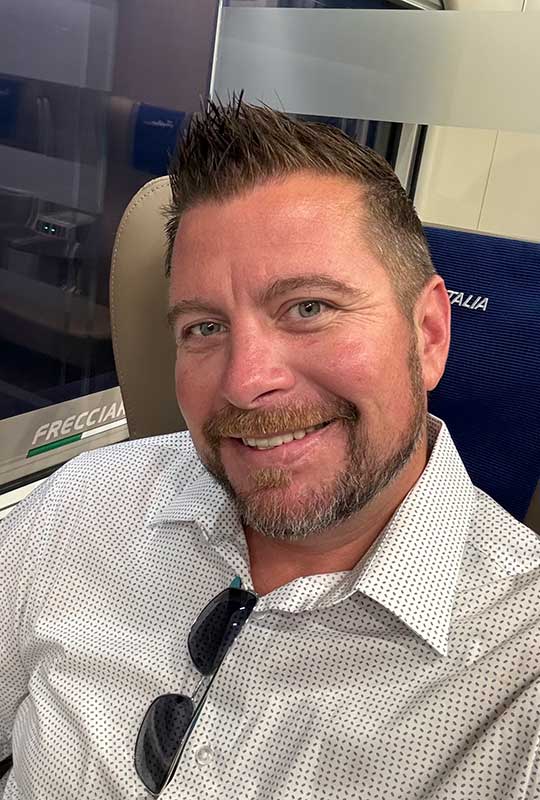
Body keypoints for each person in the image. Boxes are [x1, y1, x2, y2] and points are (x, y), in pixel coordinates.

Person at [1, 98, 539, 800]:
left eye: (308, 308)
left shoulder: (517, 670)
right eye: (203, 327)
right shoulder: (84, 503)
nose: (246, 381)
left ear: (429, 334)